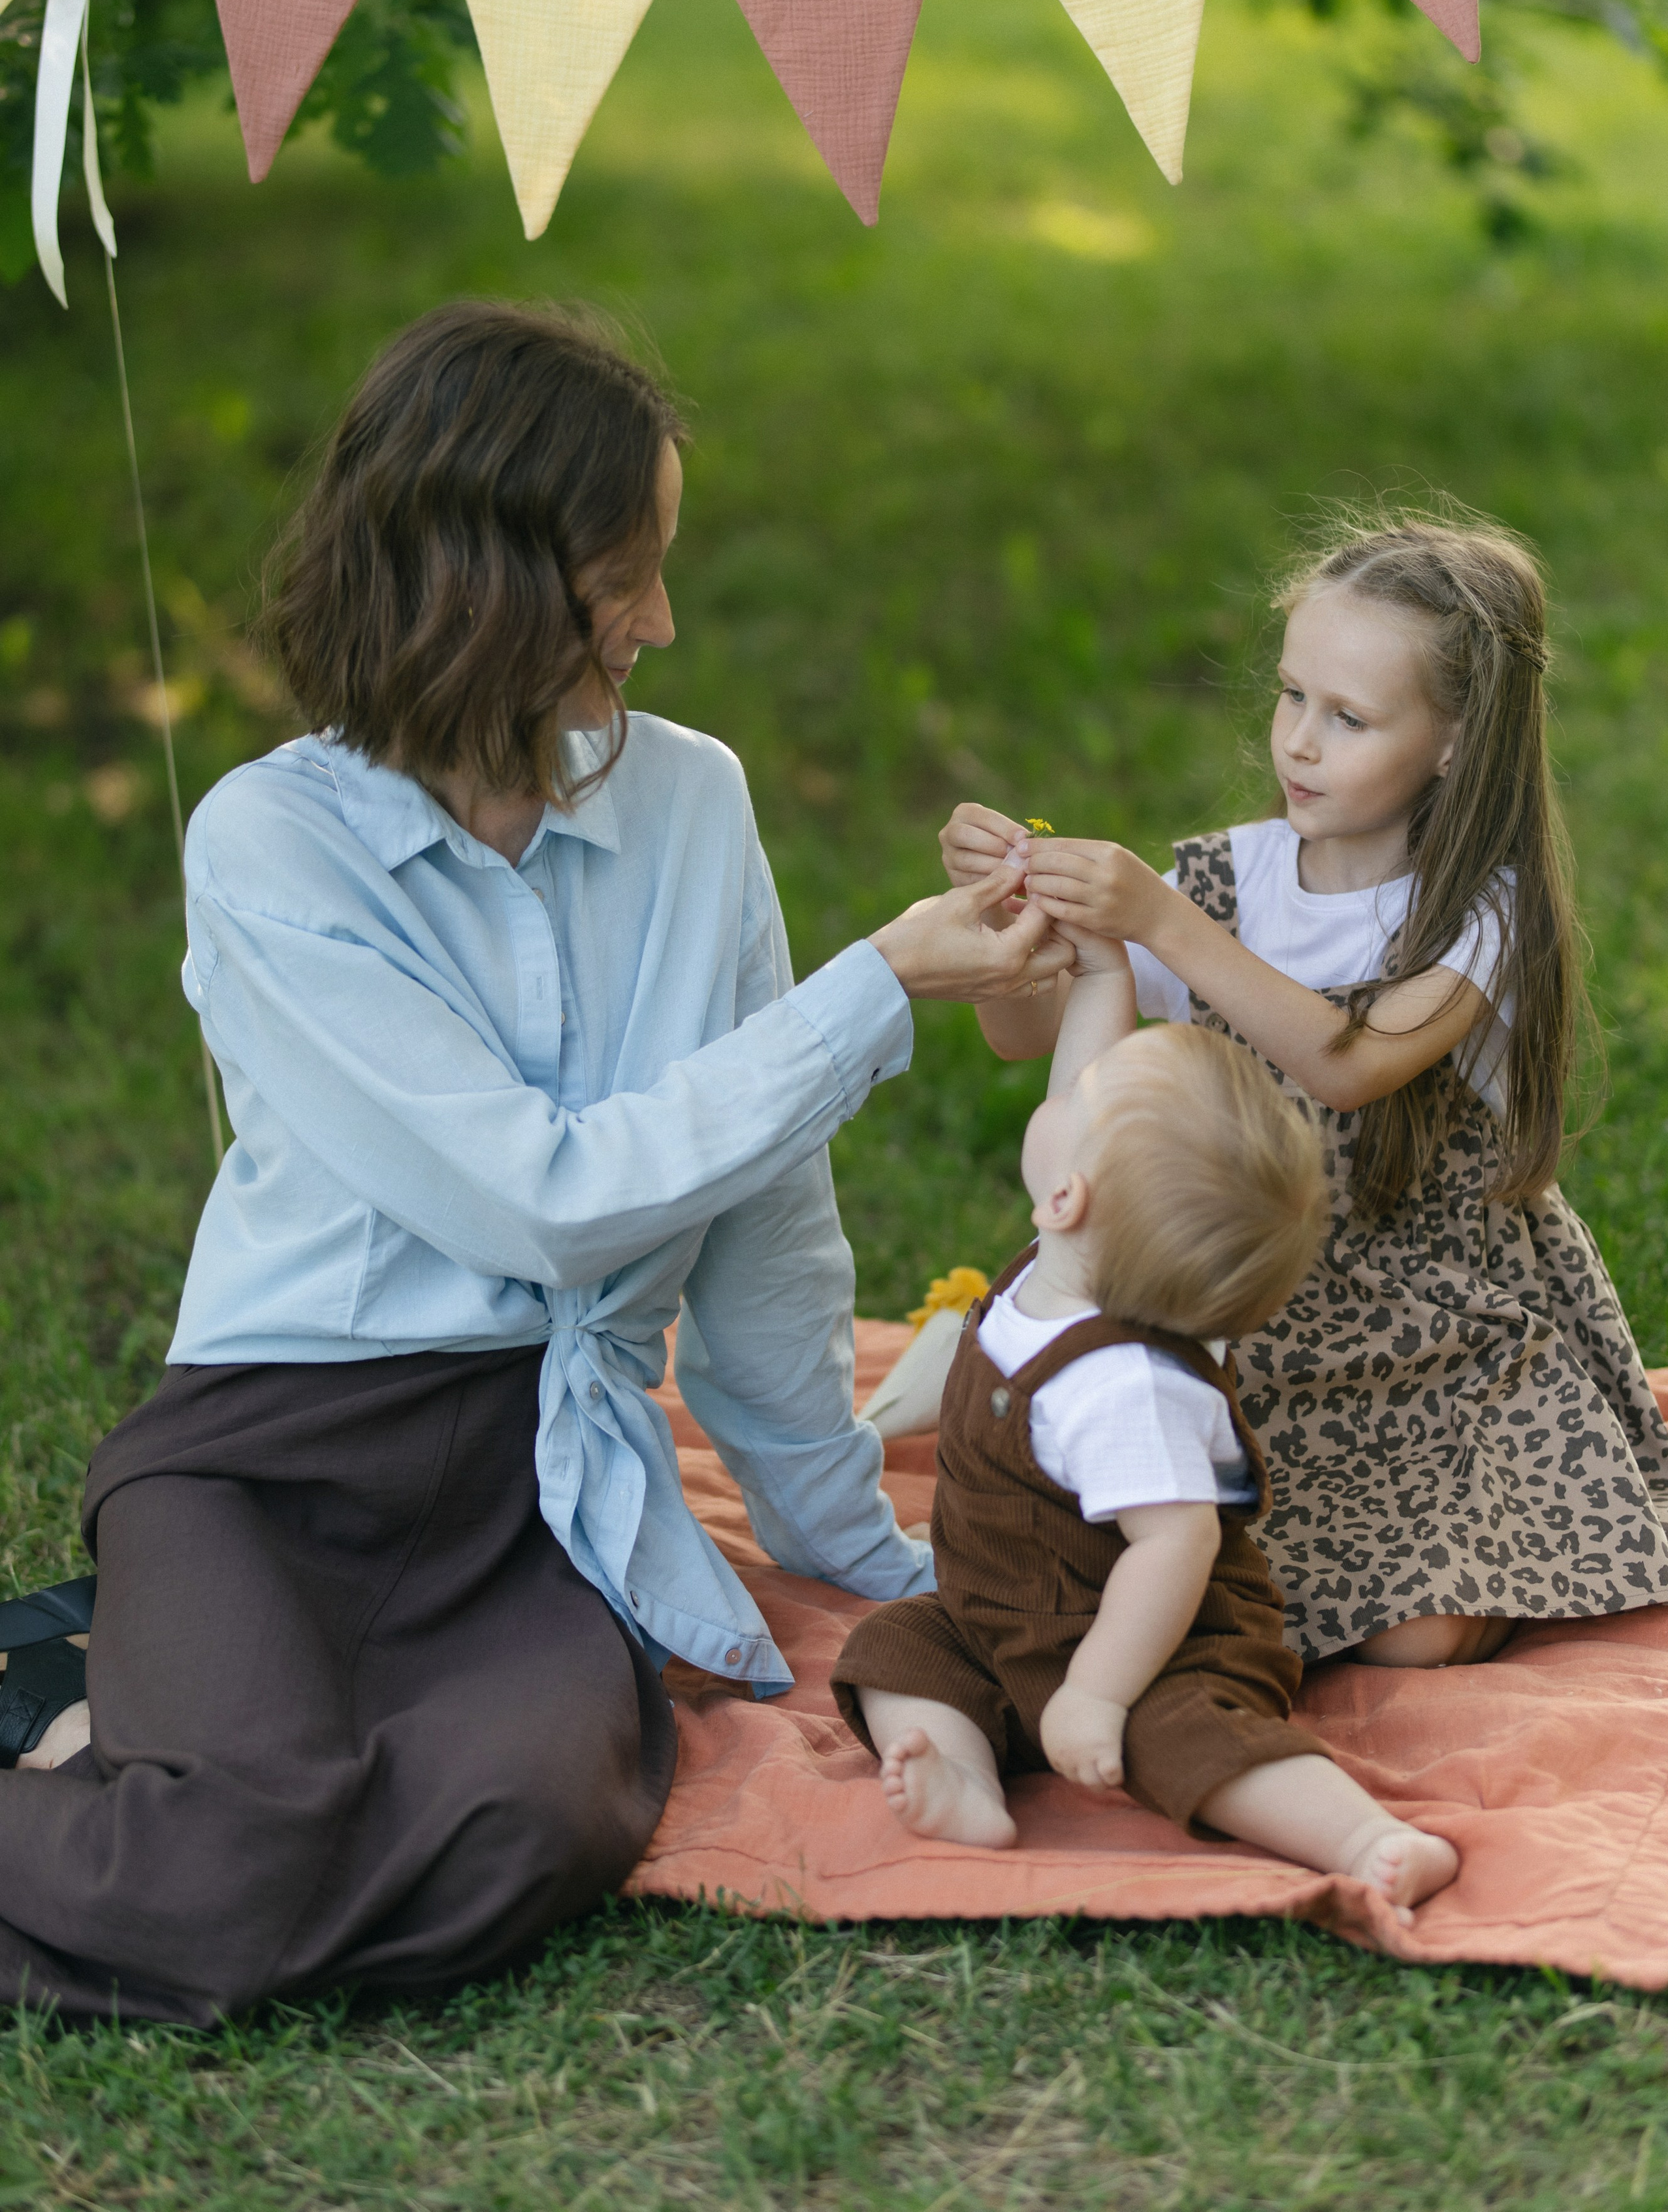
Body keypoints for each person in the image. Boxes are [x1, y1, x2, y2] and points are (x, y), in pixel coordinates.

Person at [0, 300, 1074, 2025]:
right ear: (475, 579)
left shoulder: (693, 802)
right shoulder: (274, 842)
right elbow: (544, 1198)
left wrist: (854, 1547)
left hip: (543, 1482)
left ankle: (117, 1760)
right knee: (236, 1867)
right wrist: (880, 983)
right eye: (620, 573)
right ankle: (147, 1786)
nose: (662, 618)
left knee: (533, 1827)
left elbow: (759, 1228)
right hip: (280, 1451)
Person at [942, 511, 1668, 1667]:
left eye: (1349, 717)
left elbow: (1346, 1061)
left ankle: (1500, 1549)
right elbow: (1027, 1038)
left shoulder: (1484, 909)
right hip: (1249, 1318)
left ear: (1454, 740)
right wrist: (1009, 928)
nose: (1300, 742)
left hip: (1445, 1337)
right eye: (1291, 697)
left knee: (1415, 1642)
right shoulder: (1224, 879)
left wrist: (1161, 922)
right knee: (1210, 1579)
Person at [831, 939, 1460, 1915]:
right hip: (996, 1619)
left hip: (1158, 1645)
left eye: (1071, 1105)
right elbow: (1091, 1071)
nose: (1063, 1093)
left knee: (1193, 1739)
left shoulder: (1126, 1387)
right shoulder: (1070, 1253)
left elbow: (1177, 1545)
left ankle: (1369, 1836)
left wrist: (1099, 1694)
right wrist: (1096, 965)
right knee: (898, 1651)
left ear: (1067, 1193)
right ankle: (965, 1781)